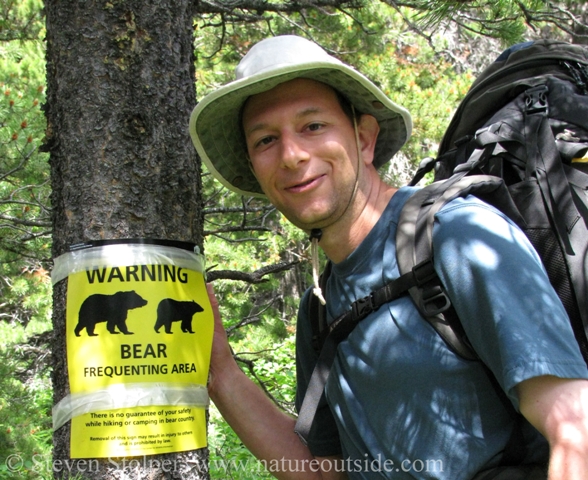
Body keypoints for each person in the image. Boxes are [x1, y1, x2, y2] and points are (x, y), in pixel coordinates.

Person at [189, 35, 588, 479]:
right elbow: (322, 472)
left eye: (313, 126)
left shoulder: (456, 237)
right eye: (265, 140)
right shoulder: (319, 311)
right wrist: (221, 372)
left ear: (363, 138)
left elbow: (576, 431)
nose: (292, 155)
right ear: (254, 168)